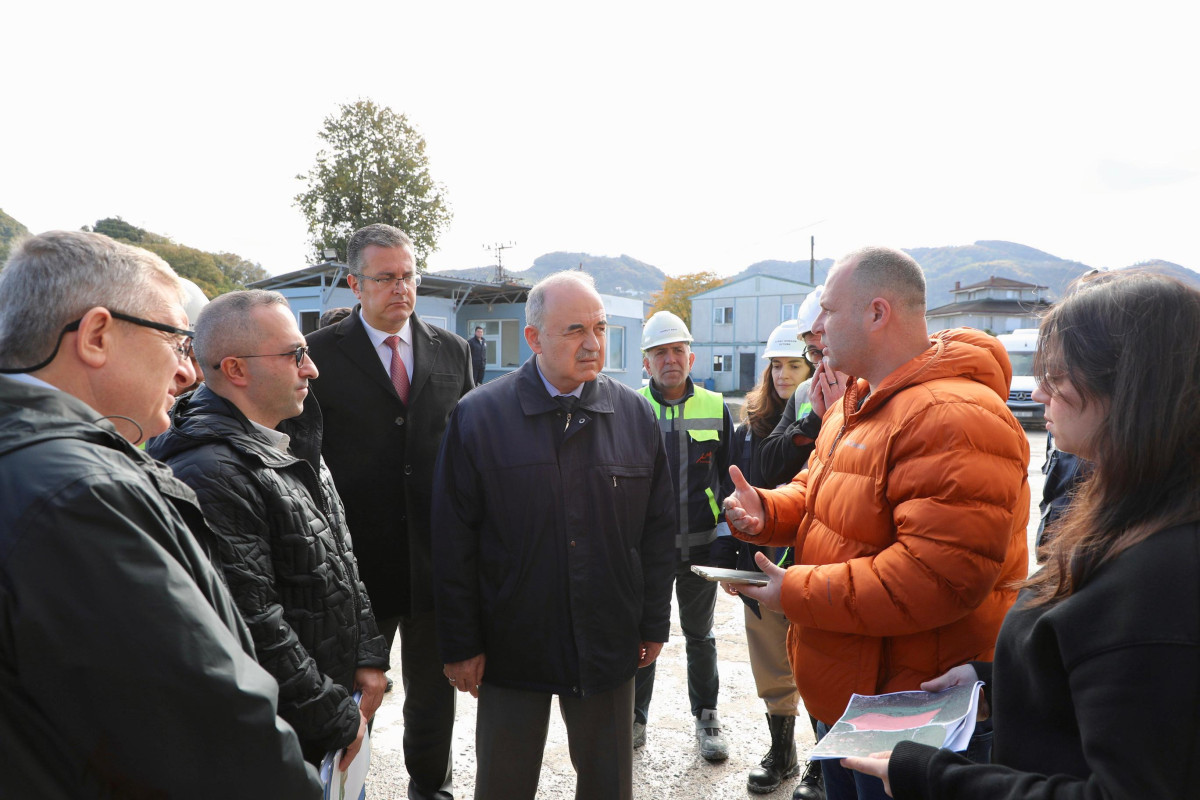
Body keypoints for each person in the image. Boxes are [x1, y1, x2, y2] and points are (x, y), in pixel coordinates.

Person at [842, 270, 1200, 799]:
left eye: (1058, 376)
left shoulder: (1161, 575)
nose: (1041, 391)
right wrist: (994, 683)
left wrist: (935, 778)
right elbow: (1098, 681)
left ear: (1129, 387)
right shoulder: (1138, 518)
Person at [0, 230, 321, 797]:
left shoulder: (37, 465)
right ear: (96, 335)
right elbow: (209, 728)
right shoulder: (81, 495)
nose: (189, 374)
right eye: (177, 342)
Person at [723, 246, 1030, 800]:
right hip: (855, 695)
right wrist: (767, 511)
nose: (816, 330)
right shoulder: (856, 402)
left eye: (829, 311)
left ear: (877, 312)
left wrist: (793, 589)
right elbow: (822, 495)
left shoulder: (951, 417)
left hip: (914, 712)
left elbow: (936, 577)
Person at [432, 271, 675, 800]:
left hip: (607, 637)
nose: (592, 343)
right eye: (573, 331)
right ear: (534, 338)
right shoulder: (480, 416)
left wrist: (654, 620)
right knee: (504, 782)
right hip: (511, 641)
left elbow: (658, 533)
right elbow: (452, 541)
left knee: (608, 782)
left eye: (601, 327)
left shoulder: (634, 414)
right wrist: (462, 643)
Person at [147, 290, 390, 767]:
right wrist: (333, 715)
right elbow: (254, 621)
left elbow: (338, 554)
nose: (311, 368)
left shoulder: (291, 436)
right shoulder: (210, 470)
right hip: (283, 736)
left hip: (325, 712)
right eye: (294, 354)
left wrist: (367, 653)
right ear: (235, 369)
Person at [306, 223, 472, 799]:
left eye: (408, 276)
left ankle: (432, 787)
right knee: (353, 698)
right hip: (354, 567)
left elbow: (466, 454)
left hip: (432, 562)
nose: (400, 288)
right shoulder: (318, 357)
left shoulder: (451, 351)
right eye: (385, 278)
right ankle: (341, 790)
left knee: (433, 694)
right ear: (355, 283)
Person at [710, 315, 833, 799]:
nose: (783, 375)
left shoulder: (835, 416)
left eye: (794, 365)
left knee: (823, 660)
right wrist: (727, 554)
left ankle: (824, 765)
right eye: (776, 366)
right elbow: (730, 492)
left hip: (816, 561)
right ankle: (781, 753)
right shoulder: (750, 426)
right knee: (769, 659)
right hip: (761, 559)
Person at [635, 310, 735, 761]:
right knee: (642, 635)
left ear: (691, 357)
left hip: (700, 547)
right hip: (648, 552)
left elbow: (733, 482)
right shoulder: (631, 407)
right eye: (660, 352)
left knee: (701, 636)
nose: (670, 358)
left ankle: (708, 717)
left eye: (677, 350)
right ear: (646, 362)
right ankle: (635, 718)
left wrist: (725, 538)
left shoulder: (716, 408)